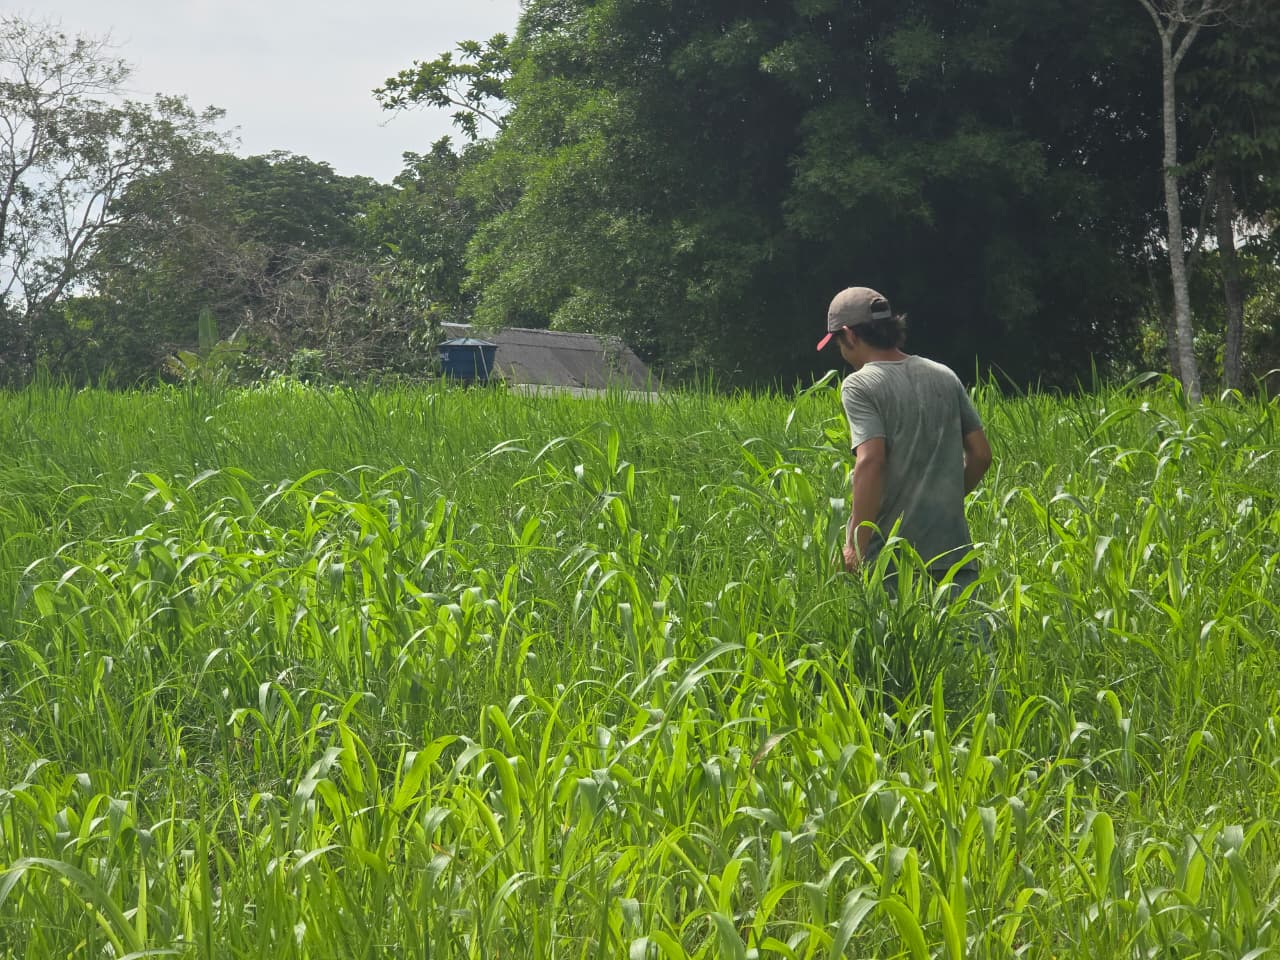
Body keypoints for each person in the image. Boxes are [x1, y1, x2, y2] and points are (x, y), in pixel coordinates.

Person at [817, 286, 992, 590]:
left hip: (892, 560)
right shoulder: (944, 375)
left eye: (838, 342)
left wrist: (855, 546)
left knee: (897, 639)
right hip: (953, 553)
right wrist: (943, 504)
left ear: (850, 334)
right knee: (967, 636)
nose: (841, 351)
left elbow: (871, 461)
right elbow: (981, 455)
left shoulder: (859, 385)